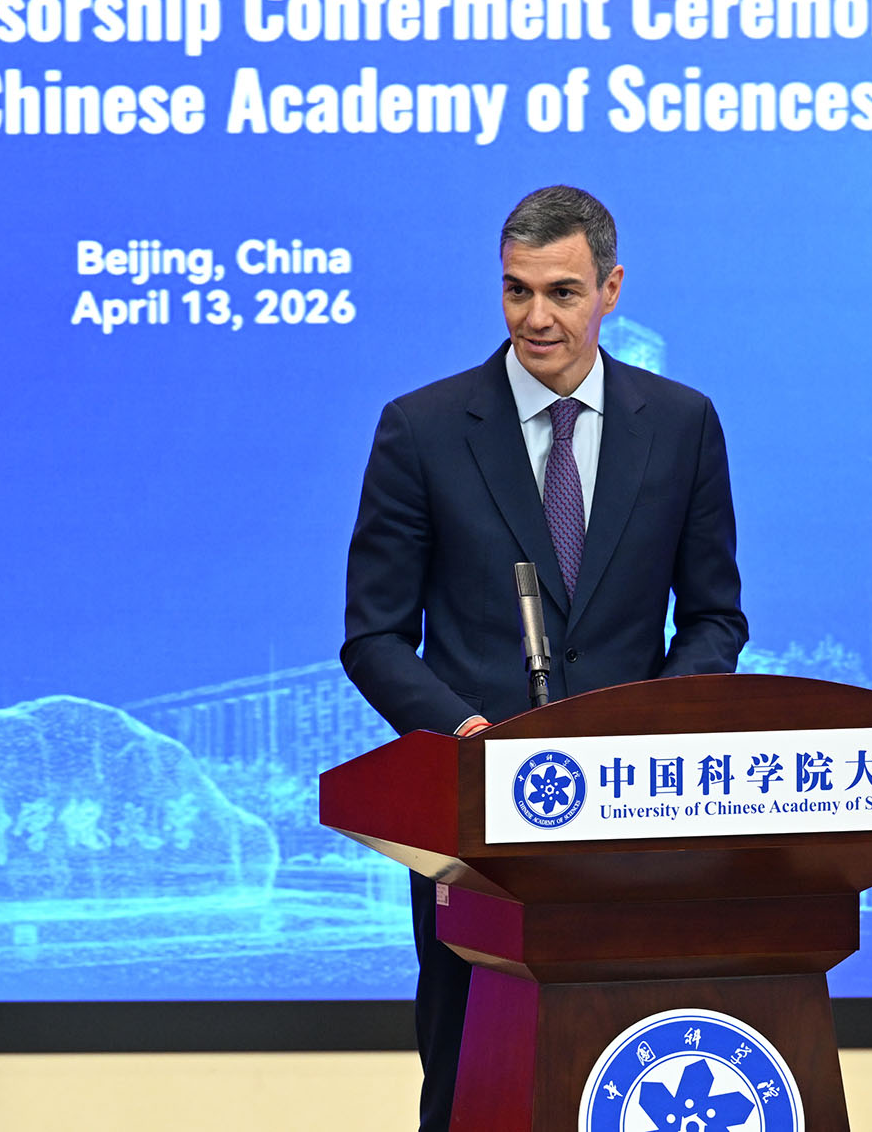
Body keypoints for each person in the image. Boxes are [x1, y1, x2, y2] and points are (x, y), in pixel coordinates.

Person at [340, 184, 746, 1131]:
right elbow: (374, 636)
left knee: (625, 1065)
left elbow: (714, 616)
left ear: (611, 288)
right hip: (477, 824)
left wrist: (651, 730)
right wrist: (463, 732)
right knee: (472, 1075)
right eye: (516, 291)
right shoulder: (423, 428)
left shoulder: (682, 423)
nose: (536, 318)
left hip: (636, 818)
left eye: (562, 292)